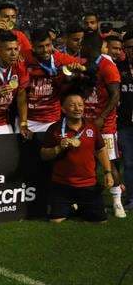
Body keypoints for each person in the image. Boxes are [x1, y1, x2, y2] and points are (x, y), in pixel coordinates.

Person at [40, 91, 113, 223]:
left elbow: (101, 149)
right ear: (63, 109)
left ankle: (79, 207)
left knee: (100, 221)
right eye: (73, 105)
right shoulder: (54, 129)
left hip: (88, 184)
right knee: (56, 220)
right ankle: (75, 207)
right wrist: (58, 148)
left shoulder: (92, 127)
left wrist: (108, 172)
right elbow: (43, 155)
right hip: (62, 185)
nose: (77, 108)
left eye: (80, 105)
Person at [80, 33, 124, 218]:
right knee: (84, 162)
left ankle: (116, 202)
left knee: (109, 162)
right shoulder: (84, 64)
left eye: (85, 45)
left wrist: (102, 117)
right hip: (85, 121)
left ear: (93, 48)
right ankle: (85, 200)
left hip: (104, 125)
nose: (82, 48)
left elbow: (115, 96)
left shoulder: (107, 67)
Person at [21, 28, 84, 134]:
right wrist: (23, 123)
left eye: (48, 45)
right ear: (32, 46)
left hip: (53, 119)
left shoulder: (60, 59)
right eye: (40, 47)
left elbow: (85, 65)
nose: (45, 50)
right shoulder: (23, 58)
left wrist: (78, 69)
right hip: (29, 119)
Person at [117, 31, 133, 210]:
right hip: (125, 123)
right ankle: (131, 197)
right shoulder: (119, 66)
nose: (131, 51)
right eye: (128, 47)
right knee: (129, 162)